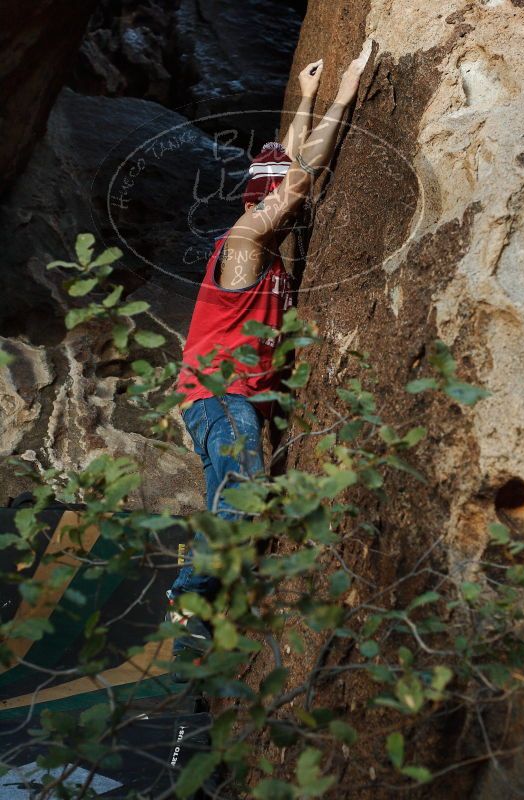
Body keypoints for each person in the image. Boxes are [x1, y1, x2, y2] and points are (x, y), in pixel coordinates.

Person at [167, 40, 374, 659]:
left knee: (237, 504)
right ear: (262, 200)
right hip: (220, 397)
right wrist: (334, 100)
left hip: (231, 403)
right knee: (241, 490)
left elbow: (297, 161)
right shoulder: (243, 241)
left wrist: (323, 95)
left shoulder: (265, 237)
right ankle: (187, 600)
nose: (297, 192)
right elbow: (302, 174)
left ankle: (204, 623)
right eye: (280, 191)